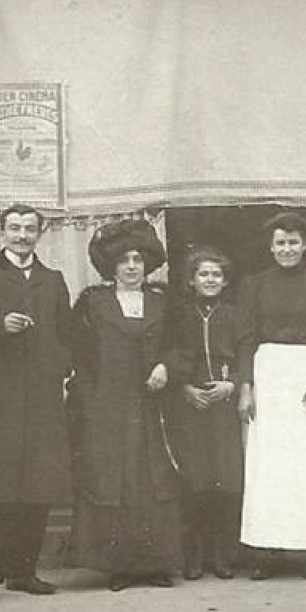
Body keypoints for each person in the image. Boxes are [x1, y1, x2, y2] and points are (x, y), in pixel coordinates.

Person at [0, 204, 74, 609]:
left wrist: (61, 368)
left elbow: (65, 333)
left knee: (37, 488)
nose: (22, 235)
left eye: (29, 229)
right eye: (14, 228)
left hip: (42, 399)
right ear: (1, 232)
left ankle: (24, 572)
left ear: (39, 234)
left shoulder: (52, 280)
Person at [65, 218, 182, 591]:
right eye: (124, 260)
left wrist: (167, 367)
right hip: (108, 406)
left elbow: (183, 347)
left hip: (154, 404)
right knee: (117, 480)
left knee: (152, 480)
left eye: (137, 259)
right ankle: (119, 566)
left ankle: (155, 565)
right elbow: (78, 355)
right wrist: (89, 400)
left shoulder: (163, 302)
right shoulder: (91, 302)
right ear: (111, 266)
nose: (132, 267)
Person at [235, 212, 306, 578]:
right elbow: (246, 339)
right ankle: (267, 552)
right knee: (268, 464)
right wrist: (247, 388)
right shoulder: (254, 285)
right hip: (267, 374)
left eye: (293, 242)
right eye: (280, 243)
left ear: (305, 244)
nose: (287, 249)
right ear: (270, 247)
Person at [162, 245, 245, 581]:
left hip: (224, 405)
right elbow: (168, 354)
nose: (210, 280)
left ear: (225, 282)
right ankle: (193, 555)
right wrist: (183, 389)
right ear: (192, 280)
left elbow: (247, 353)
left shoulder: (235, 315)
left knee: (225, 480)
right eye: (203, 274)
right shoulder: (179, 314)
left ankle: (222, 555)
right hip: (191, 404)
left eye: (217, 275)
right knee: (194, 482)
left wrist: (235, 384)